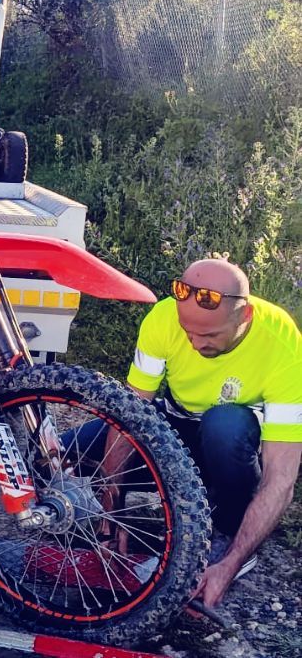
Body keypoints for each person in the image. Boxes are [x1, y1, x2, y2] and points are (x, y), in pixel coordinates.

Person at [113, 258, 301, 608]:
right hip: (176, 425)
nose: (196, 344)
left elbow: (281, 478)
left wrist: (231, 564)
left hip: (231, 438)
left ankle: (228, 531)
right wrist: (113, 507)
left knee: (224, 426)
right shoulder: (164, 318)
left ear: (244, 316)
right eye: (188, 332)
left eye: (211, 335)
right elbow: (128, 415)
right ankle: (139, 517)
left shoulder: (282, 342)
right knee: (70, 452)